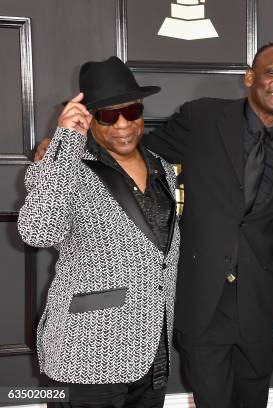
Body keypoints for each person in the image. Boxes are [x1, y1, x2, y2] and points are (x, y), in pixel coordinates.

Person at [142, 43, 273, 407]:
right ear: (249, 78)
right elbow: (137, 156)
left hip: (259, 305)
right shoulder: (202, 118)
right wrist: (76, 146)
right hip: (204, 299)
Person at [19, 56, 180, 407]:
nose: (122, 124)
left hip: (152, 353)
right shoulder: (63, 168)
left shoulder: (163, 169)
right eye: (108, 115)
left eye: (132, 111)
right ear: (89, 118)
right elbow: (38, 231)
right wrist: (65, 144)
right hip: (87, 354)